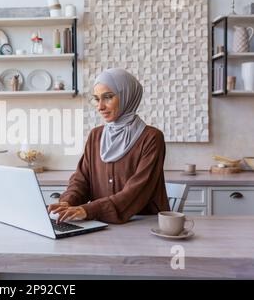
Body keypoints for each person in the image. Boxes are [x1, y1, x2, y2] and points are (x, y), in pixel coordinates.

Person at [48, 68, 170, 224]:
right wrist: (67, 201)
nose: (100, 107)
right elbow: (81, 180)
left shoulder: (151, 138)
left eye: (108, 97)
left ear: (127, 96)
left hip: (142, 224)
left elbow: (136, 191)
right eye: (97, 99)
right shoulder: (96, 136)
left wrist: (88, 210)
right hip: (102, 223)